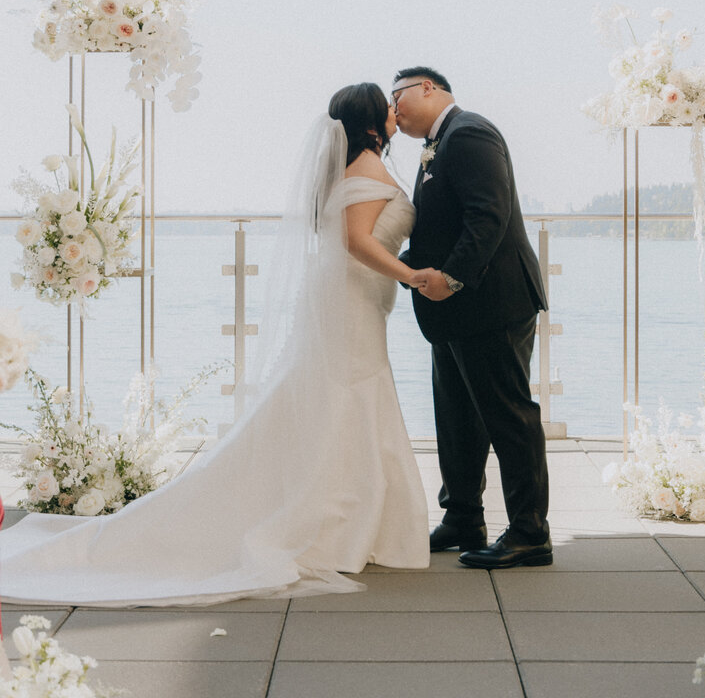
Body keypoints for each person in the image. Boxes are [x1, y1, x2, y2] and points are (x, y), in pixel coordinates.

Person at [0, 84, 430, 605]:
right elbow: (355, 241)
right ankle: (345, 522)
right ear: (369, 126)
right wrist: (412, 276)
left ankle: (353, 518)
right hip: (350, 299)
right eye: (386, 106)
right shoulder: (365, 172)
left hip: (350, 297)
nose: (394, 111)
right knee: (349, 396)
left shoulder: (350, 171)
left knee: (339, 397)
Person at [393, 68, 552, 569]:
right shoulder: (439, 144)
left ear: (428, 88)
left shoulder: (470, 133)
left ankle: (530, 533)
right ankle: (463, 517)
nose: (392, 110)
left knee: (508, 417)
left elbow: (489, 214)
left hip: (490, 302)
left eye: (397, 97)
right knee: (457, 418)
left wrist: (452, 278)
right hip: (452, 310)